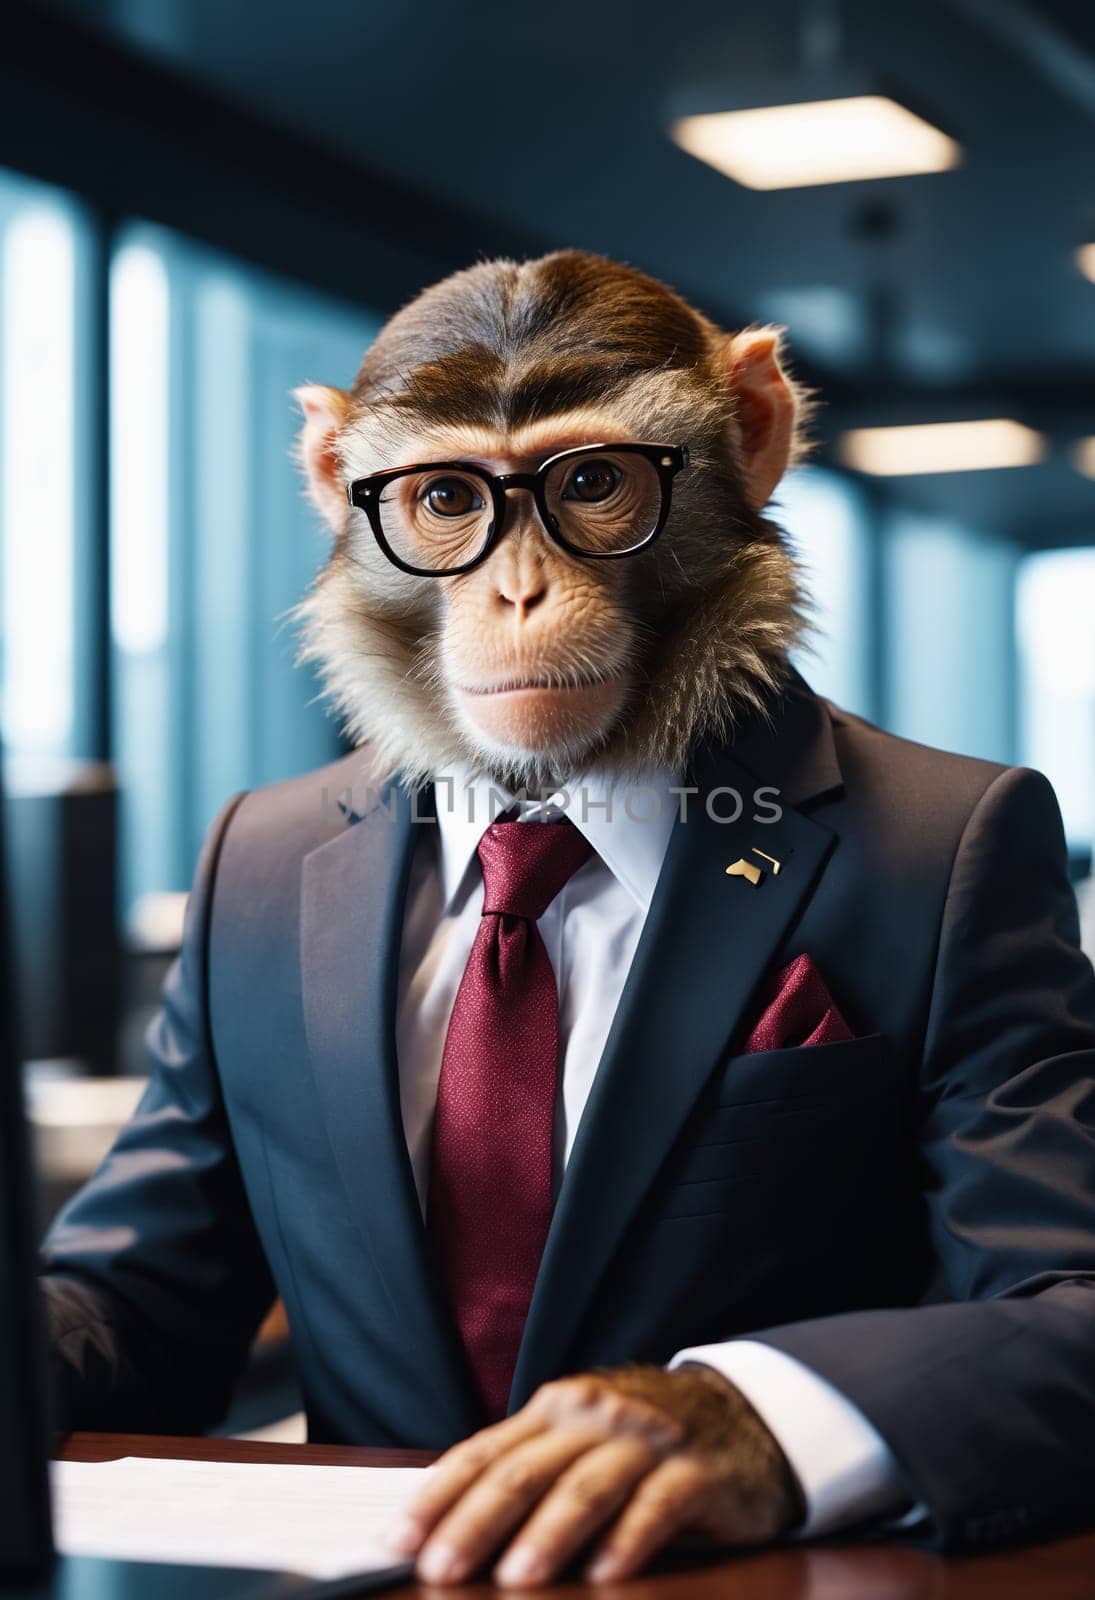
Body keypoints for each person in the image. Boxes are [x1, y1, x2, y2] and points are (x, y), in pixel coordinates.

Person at [40, 251, 1095, 1587]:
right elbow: (143, 1301)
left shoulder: (941, 845)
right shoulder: (267, 858)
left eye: (589, 482)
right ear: (336, 485)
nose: (517, 585)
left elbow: (1072, 1310)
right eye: (441, 499)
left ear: (750, 433)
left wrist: (756, 1418)